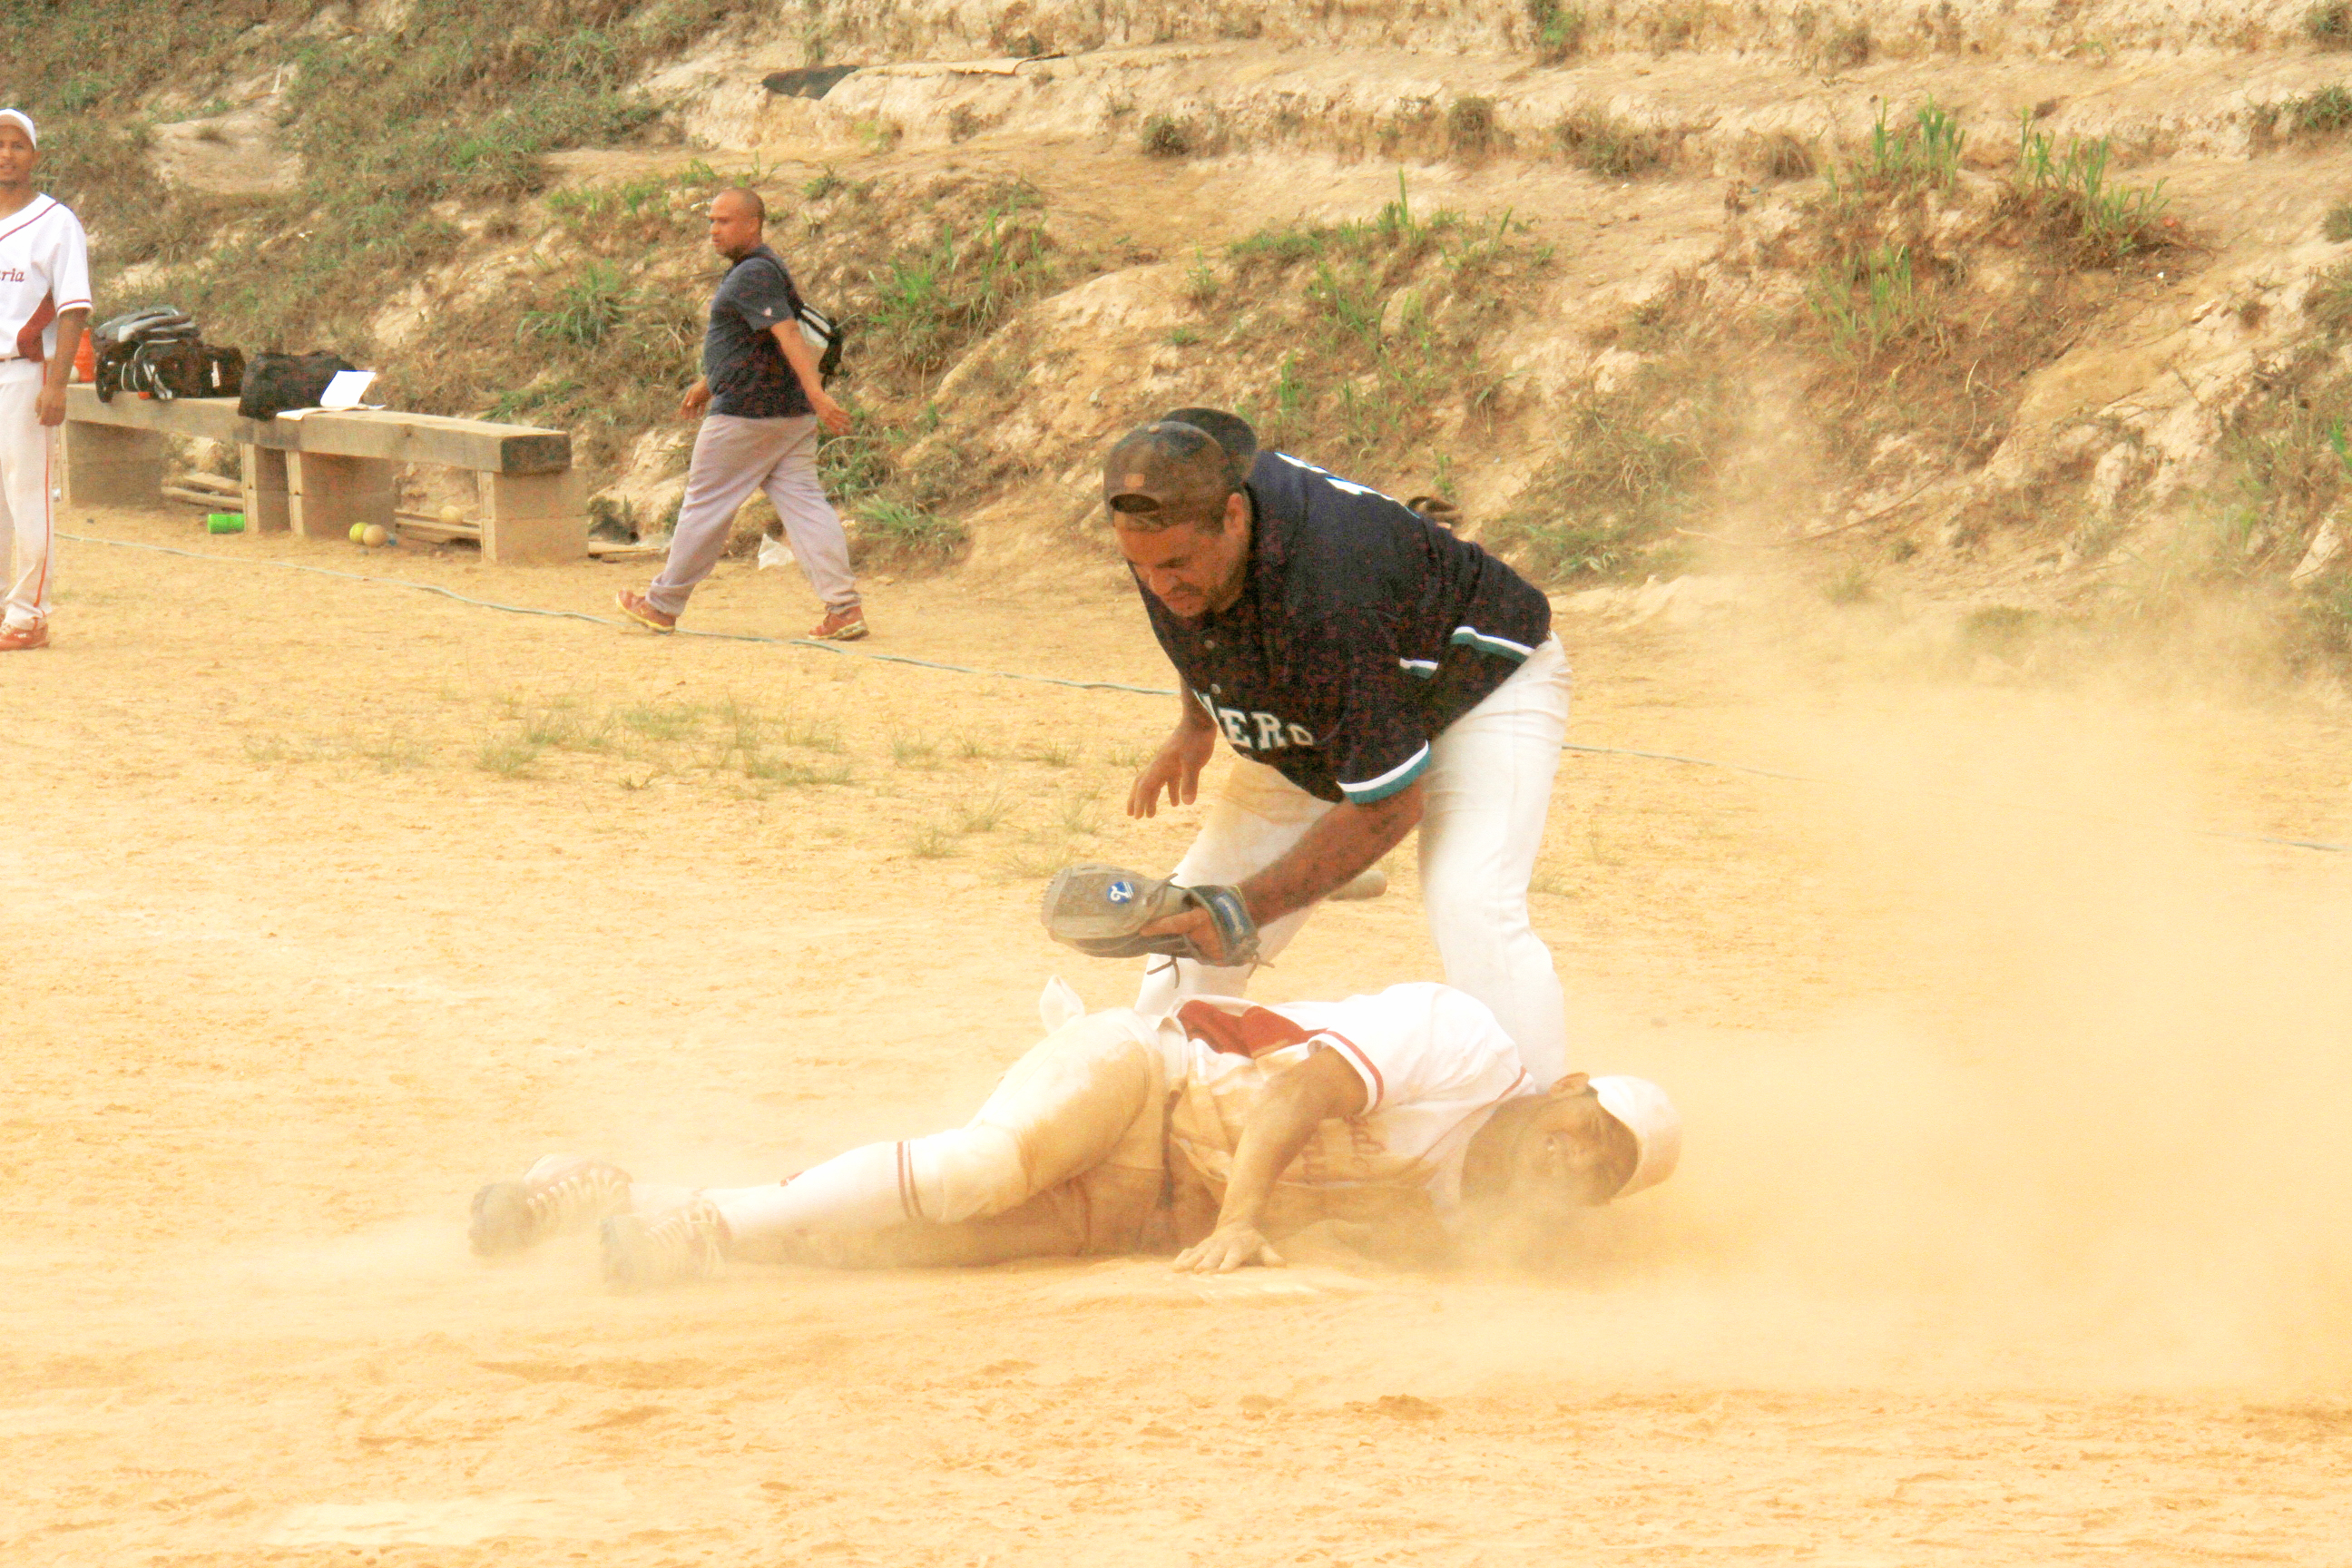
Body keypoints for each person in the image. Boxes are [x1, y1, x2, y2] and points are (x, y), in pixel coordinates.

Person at [467, 978, 1680, 1291]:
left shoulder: (1483, 1221)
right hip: (1143, 1080)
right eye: (1592, 1131)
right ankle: (693, 1227)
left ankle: (603, 1189)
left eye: (1603, 1176)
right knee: (972, 1168)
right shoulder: (1465, 1043)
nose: (1576, 1164)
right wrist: (1249, 1220)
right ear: (1564, 1088)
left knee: (888, 1247)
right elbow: (1305, 1093)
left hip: (1142, 1216)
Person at [1102, 411, 1578, 1087]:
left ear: (1234, 517)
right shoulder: (1176, 524)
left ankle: (1539, 1121)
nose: (1157, 584)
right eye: (1139, 566)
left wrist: (1245, 907)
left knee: (1470, 903)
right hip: (1329, 699)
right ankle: (1148, 1104)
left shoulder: (1328, 591)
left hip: (1478, 683)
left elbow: (1389, 805)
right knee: (1188, 938)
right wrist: (1197, 723)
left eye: (1173, 564)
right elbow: (1198, 624)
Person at [616, 187, 867, 642]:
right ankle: (844, 608)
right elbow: (755, 343)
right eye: (711, 221)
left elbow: (787, 332)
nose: (713, 230)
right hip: (787, 416)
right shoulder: (765, 270)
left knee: (705, 506)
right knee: (806, 506)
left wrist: (817, 393)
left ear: (753, 224)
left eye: (724, 221)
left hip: (748, 414)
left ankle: (661, 604)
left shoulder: (753, 273)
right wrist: (707, 382)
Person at [0, 110, 90, 653]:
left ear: (34, 156)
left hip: (25, 372)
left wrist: (57, 384)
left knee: (28, 494)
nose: (6, 154)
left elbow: (75, 308)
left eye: (17, 145)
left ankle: (28, 615)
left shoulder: (56, 222)